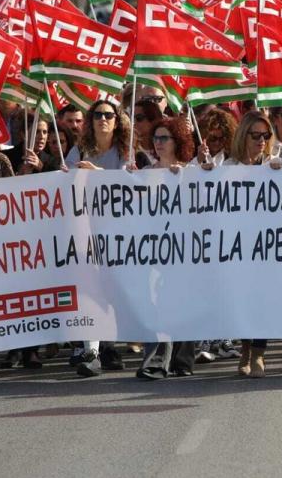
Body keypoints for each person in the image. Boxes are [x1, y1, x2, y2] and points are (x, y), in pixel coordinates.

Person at [68, 98, 135, 376]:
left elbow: (130, 184)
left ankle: (110, 344)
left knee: (114, 290)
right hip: (86, 228)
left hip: (119, 232)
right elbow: (67, 179)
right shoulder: (80, 149)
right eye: (97, 115)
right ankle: (94, 350)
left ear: (117, 121)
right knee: (91, 289)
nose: (103, 119)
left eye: (109, 114)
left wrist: (100, 176)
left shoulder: (125, 151)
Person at [219, 111, 282, 377]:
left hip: (267, 248)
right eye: (255, 135)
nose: (261, 140)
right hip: (236, 247)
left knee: (262, 301)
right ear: (243, 135)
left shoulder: (274, 164)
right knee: (242, 301)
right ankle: (245, 349)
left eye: (266, 135)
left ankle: (259, 354)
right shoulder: (228, 167)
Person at [136, 116, 200, 380]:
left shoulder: (189, 172)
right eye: (156, 138)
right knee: (157, 304)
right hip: (154, 249)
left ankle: (182, 360)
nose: (159, 143)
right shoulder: (144, 173)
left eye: (165, 138)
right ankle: (157, 360)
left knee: (183, 303)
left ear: (178, 142)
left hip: (184, 249)